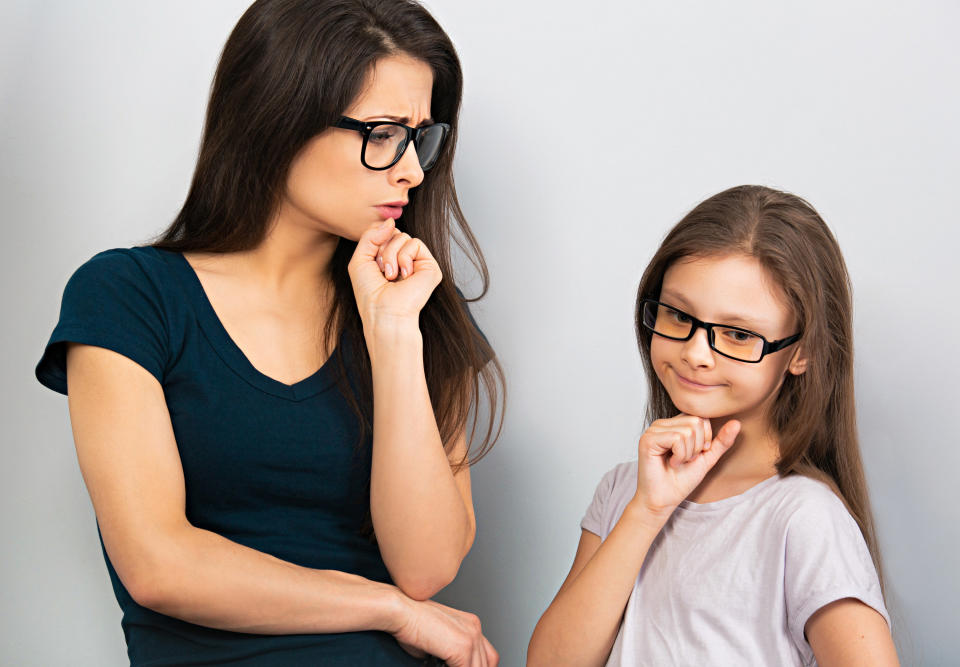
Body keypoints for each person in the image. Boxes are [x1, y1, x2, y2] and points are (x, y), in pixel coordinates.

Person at [34, 1, 504, 664]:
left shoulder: (418, 307)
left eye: (419, 137)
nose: (412, 170)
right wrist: (388, 608)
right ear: (279, 118)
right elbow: (157, 564)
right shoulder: (128, 296)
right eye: (382, 133)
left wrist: (394, 333)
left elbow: (425, 568)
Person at [527, 185, 899, 666]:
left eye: (739, 334)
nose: (696, 353)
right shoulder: (624, 492)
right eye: (679, 315)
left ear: (802, 351)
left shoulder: (803, 517)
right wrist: (646, 511)